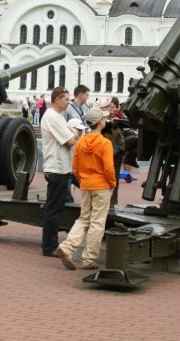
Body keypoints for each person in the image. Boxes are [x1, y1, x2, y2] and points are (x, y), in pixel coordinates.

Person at [57, 107, 117, 270]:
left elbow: (75, 166)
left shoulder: (81, 142)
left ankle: (67, 247)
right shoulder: (105, 143)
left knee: (83, 219)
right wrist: (112, 182)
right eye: (103, 119)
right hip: (102, 185)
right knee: (97, 223)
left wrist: (83, 179)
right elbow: (109, 168)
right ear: (100, 122)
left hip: (86, 185)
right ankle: (89, 260)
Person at [40, 86, 77, 257]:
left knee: (56, 207)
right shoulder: (53, 118)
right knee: (53, 209)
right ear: (57, 99)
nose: (68, 102)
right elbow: (70, 141)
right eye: (67, 99)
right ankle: (49, 246)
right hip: (57, 168)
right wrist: (74, 133)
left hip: (60, 167)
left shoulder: (56, 117)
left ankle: (54, 242)